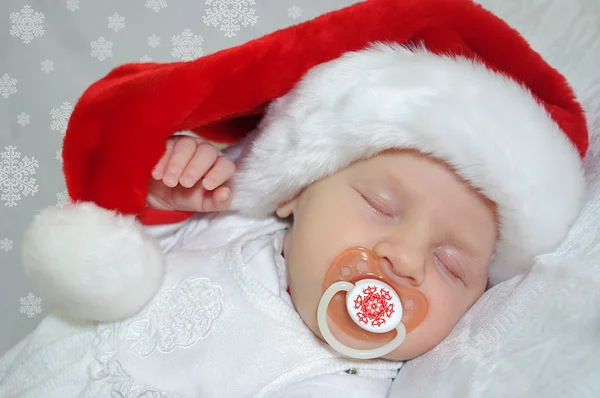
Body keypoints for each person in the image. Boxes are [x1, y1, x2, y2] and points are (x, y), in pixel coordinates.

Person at [0, 0, 590, 396]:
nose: (405, 259)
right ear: (295, 190)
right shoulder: (223, 224)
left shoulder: (354, 380)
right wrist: (167, 193)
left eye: (450, 265)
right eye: (382, 206)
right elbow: (116, 240)